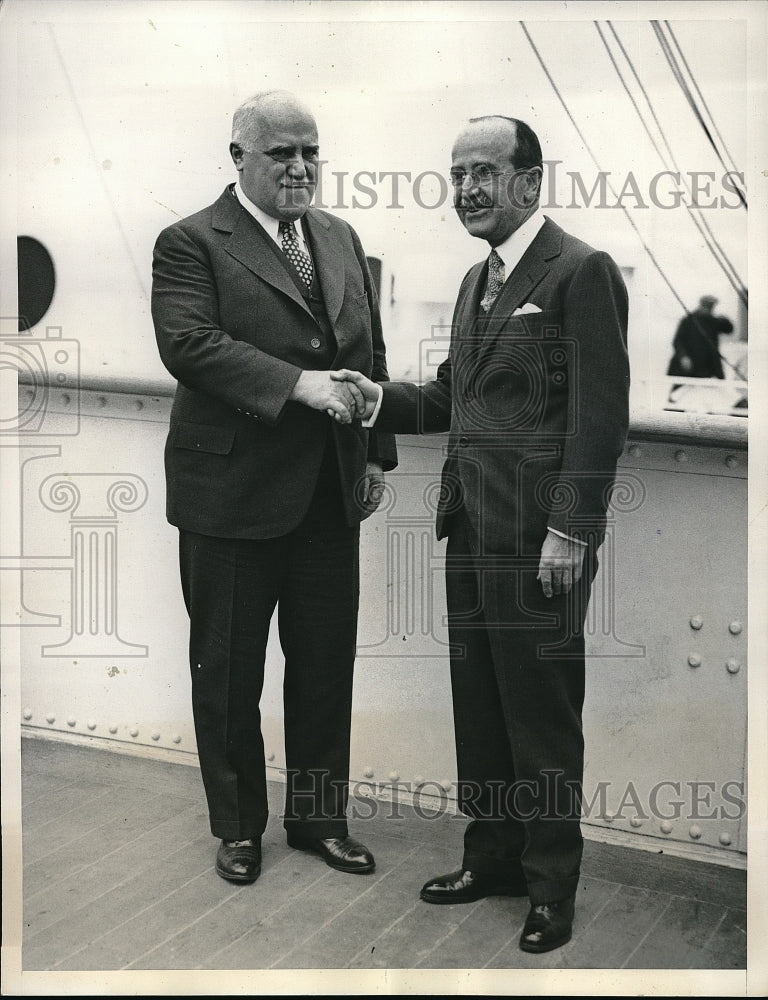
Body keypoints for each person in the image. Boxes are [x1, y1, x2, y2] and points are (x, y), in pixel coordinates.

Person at [334, 115, 629, 953]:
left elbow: (600, 418)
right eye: (455, 173)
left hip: (541, 541)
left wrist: (572, 530)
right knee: (484, 712)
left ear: (530, 182)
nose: (465, 188)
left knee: (542, 719)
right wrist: (376, 396)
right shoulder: (477, 280)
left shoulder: (580, 272)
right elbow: (452, 399)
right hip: (469, 531)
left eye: (482, 172)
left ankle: (550, 888)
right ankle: (492, 857)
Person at [151, 90, 396, 886]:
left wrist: (376, 457)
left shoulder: (341, 236)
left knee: (324, 664)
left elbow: (372, 352)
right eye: (281, 153)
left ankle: (319, 820)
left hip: (328, 490)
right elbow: (189, 344)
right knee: (227, 672)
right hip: (229, 495)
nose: (299, 167)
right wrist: (303, 386)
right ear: (238, 159)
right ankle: (238, 828)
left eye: (310, 152)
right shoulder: (190, 241)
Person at [667, 294, 733, 378]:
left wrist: (722, 318)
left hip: (708, 369)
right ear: (700, 305)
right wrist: (683, 356)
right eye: (706, 306)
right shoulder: (688, 321)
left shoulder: (714, 321)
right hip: (688, 369)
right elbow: (677, 341)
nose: (707, 309)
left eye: (710, 307)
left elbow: (729, 329)